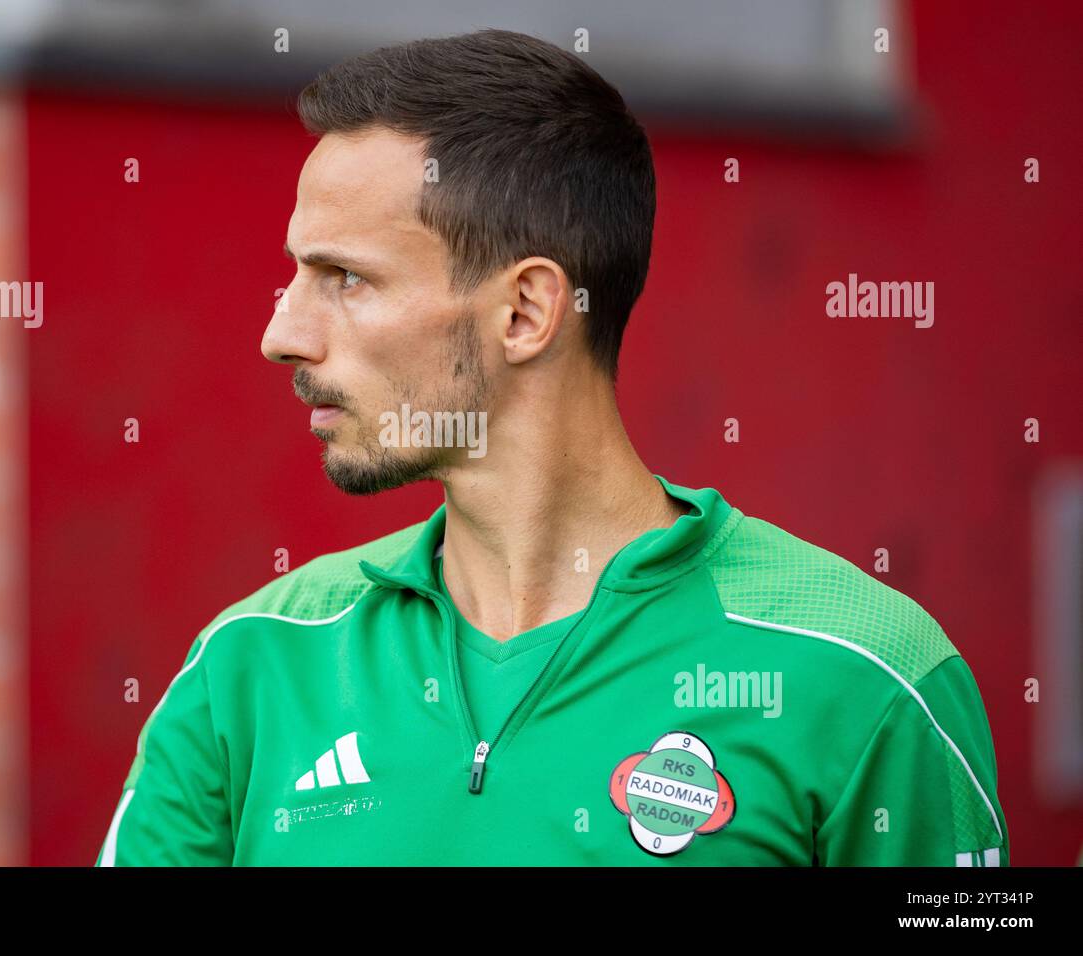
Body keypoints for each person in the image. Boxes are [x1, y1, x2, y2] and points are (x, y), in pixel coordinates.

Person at [96, 29, 1007, 866]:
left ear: (527, 312)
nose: (282, 335)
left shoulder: (864, 674)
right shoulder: (251, 666)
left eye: (345, 278)